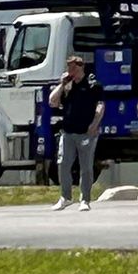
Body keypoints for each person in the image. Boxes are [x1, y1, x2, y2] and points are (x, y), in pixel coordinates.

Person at [48, 55, 105, 211]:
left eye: (73, 67)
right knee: (63, 164)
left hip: (86, 132)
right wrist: (62, 84)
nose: (70, 70)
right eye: (69, 67)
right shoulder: (67, 86)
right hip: (68, 132)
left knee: (86, 167)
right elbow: (52, 101)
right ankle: (65, 197)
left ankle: (85, 199)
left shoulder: (92, 84)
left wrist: (95, 124)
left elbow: (100, 106)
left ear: (81, 67)